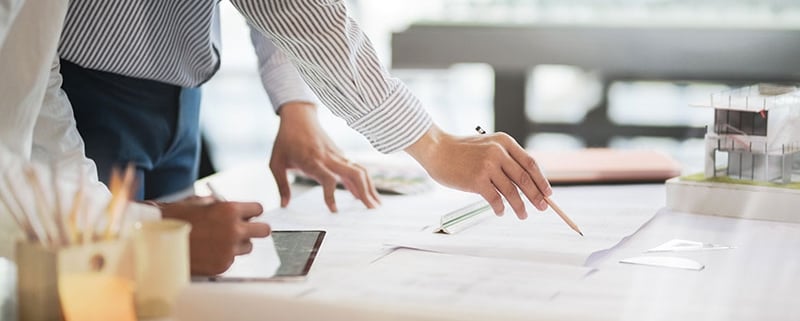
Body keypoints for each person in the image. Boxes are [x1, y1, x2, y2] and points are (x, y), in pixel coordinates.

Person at [59, 1, 553, 219]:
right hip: (88, 93)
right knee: (97, 286)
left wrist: (296, 106)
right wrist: (431, 143)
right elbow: (291, 6)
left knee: (169, 288)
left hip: (183, 93)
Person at [0, 0, 269, 276]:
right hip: (97, 90)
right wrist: (147, 231)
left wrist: (135, 219)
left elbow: (31, 75)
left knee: (168, 285)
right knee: (91, 282)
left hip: (182, 95)